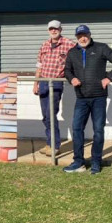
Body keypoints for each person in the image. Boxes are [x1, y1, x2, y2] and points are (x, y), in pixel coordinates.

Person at [64, 25, 112, 174]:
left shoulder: (101, 48)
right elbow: (67, 70)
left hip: (99, 97)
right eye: (80, 36)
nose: (83, 38)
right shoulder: (72, 52)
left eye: (85, 35)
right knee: (77, 129)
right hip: (81, 98)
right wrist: (72, 79)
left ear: (90, 35)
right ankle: (78, 162)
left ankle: (96, 162)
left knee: (98, 130)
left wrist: (109, 78)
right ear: (76, 37)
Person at [33, 20, 75, 156]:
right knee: (45, 116)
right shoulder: (44, 45)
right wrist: (36, 83)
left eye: (56, 28)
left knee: (51, 114)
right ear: (48, 30)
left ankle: (55, 146)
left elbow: (79, 58)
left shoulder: (69, 44)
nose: (53, 31)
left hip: (56, 83)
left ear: (60, 29)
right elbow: (39, 65)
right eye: (51, 29)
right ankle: (49, 143)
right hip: (43, 82)